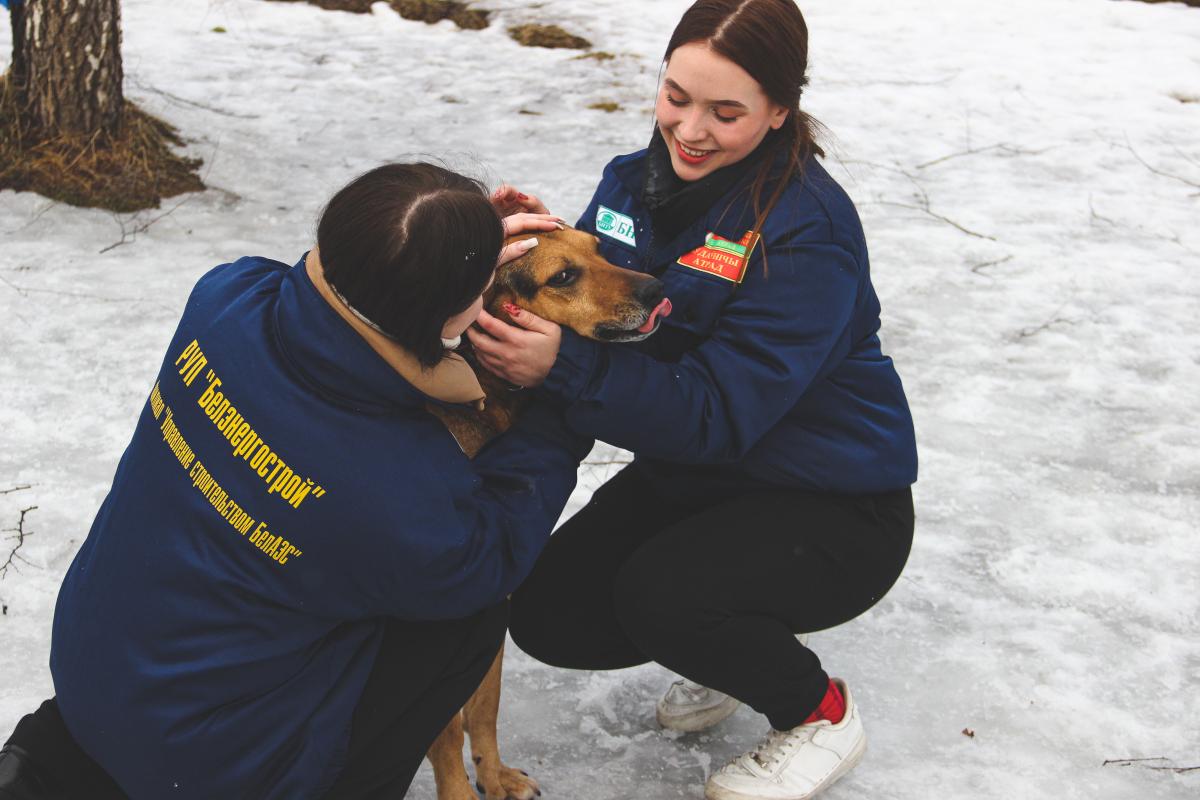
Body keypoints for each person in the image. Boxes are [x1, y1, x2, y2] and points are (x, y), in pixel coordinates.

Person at [0, 163, 590, 799]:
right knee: (463, 615)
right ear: (451, 316)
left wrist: (447, 239)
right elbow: (491, 556)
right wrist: (557, 390)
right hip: (210, 766)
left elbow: (340, 273)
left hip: (95, 677)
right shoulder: (393, 478)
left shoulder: (225, 296)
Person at [474, 1, 918, 798]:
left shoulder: (805, 231)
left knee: (663, 597)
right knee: (545, 608)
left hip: (834, 505)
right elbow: (569, 329)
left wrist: (561, 368)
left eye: (726, 112)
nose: (690, 129)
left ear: (780, 111)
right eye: (676, 96)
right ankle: (730, 641)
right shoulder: (627, 186)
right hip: (695, 480)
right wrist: (493, 509)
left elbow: (718, 414)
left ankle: (818, 712)